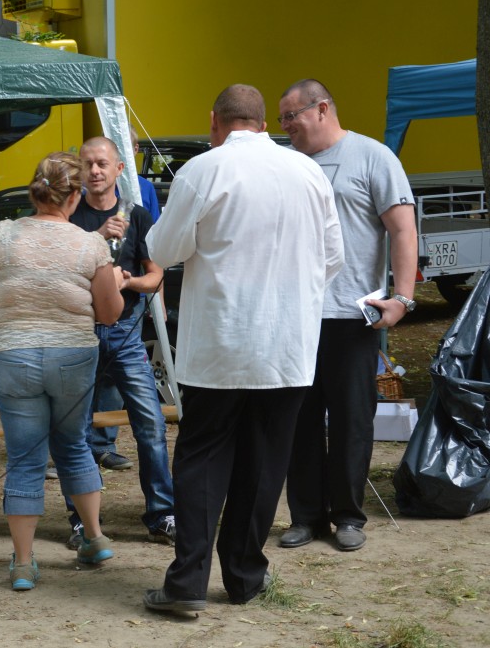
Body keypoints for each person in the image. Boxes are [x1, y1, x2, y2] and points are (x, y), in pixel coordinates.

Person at [143, 84, 343, 612]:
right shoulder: (308, 172)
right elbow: (332, 258)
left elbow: (163, 248)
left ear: (215, 120)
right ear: (263, 122)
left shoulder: (204, 169)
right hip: (287, 345)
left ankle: (187, 582)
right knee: (265, 462)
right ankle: (245, 576)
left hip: (222, 343)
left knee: (203, 459)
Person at [0, 151, 124, 591]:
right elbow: (110, 314)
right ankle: (94, 538)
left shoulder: (3, 235)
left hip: (14, 354)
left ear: (35, 191)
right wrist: (111, 284)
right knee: (74, 445)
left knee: (24, 458)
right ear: (74, 196)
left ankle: (22, 563)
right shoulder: (90, 243)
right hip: (73, 356)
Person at [277, 79, 418, 553]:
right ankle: (306, 516)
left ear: (321, 109)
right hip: (296, 315)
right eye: (281, 119)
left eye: (291, 116)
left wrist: (402, 299)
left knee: (351, 421)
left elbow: (403, 230)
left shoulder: (373, 157)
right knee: (298, 419)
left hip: (353, 316)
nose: (285, 126)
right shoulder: (287, 163)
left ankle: (349, 517)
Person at [65, 136, 177, 549]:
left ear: (119, 169)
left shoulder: (137, 215)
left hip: (125, 333)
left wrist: (128, 283)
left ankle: (161, 514)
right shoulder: (68, 214)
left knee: (150, 423)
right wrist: (97, 236)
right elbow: (60, 272)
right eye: (87, 164)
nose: (95, 171)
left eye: (102, 163)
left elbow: (156, 275)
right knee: (75, 429)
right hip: (79, 332)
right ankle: (82, 522)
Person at [130, 126, 161, 222]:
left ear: (135, 149)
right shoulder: (95, 187)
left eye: (123, 148)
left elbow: (154, 226)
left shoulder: (147, 187)